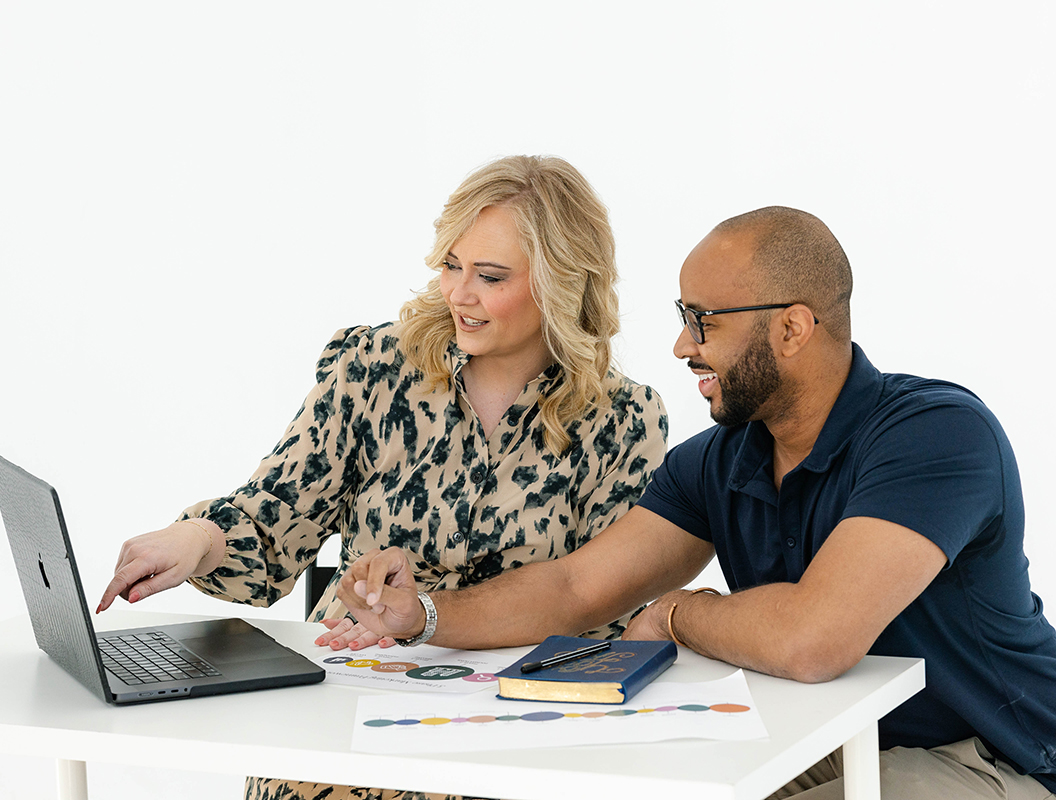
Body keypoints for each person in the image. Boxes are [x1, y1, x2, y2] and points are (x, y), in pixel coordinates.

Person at [337, 206, 1056, 799]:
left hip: (992, 753)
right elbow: (576, 585)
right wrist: (425, 613)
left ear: (792, 328)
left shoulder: (935, 435)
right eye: (684, 316)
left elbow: (813, 640)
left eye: (704, 320)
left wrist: (678, 613)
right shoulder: (722, 459)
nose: (683, 344)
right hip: (833, 734)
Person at [96, 155, 670, 800]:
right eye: (452, 266)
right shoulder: (372, 368)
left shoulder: (622, 419)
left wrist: (437, 615)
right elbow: (276, 518)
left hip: (513, 712)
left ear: (563, 283)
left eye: (490, 276)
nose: (459, 294)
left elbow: (601, 603)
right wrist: (197, 538)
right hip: (356, 689)